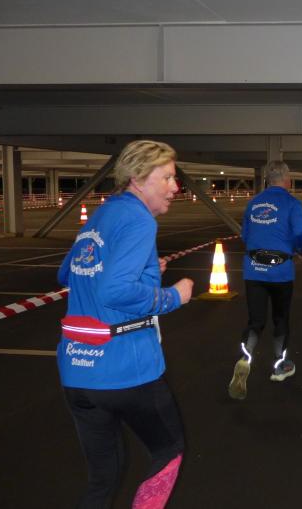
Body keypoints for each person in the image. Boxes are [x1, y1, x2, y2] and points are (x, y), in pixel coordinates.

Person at [57, 140, 194, 508]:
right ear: (137, 178)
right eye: (166, 178)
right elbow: (115, 290)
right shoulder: (139, 219)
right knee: (168, 450)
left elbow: (68, 272)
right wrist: (173, 296)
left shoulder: (103, 213)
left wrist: (144, 268)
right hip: (125, 369)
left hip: (77, 371)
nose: (175, 187)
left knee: (104, 477)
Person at [228, 160, 302, 400]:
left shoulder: (253, 203)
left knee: (256, 321)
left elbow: (245, 235)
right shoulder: (292, 204)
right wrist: (301, 250)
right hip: (281, 272)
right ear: (287, 180)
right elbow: (300, 233)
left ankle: (245, 358)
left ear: (267, 180)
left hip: (254, 270)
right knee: (280, 319)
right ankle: (280, 366)